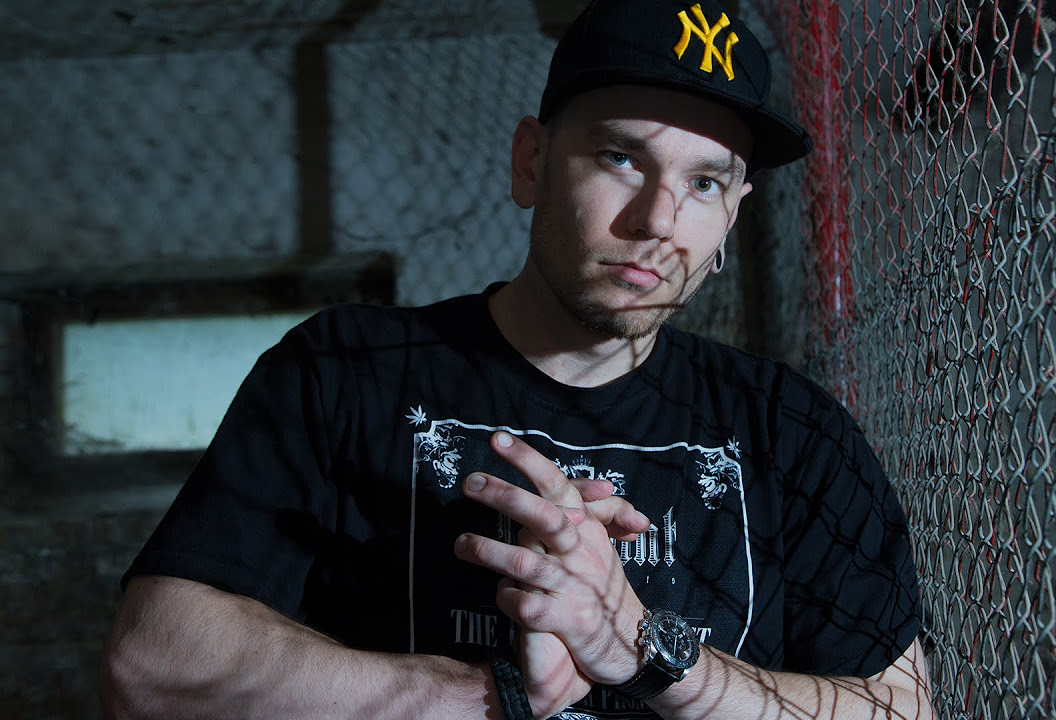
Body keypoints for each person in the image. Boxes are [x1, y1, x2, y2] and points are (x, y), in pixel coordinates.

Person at [100, 1, 934, 718]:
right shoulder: (348, 370)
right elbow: (151, 666)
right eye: (621, 157)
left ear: (733, 216)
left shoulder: (791, 430)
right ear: (531, 161)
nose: (658, 219)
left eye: (705, 183)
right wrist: (494, 698)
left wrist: (645, 649)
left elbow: (900, 707)